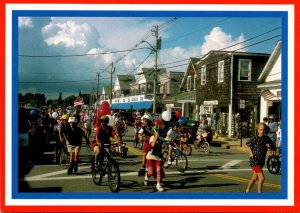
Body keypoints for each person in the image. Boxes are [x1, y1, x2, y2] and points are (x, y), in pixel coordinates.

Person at [245, 123, 272, 193]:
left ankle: (247, 191)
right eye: (260, 130)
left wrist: (270, 147)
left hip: (261, 161)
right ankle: (260, 194)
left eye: (263, 130)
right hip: (254, 160)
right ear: (257, 130)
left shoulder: (266, 138)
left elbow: (272, 146)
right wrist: (251, 154)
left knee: (254, 178)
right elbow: (247, 145)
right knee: (262, 178)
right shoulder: (254, 138)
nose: (262, 131)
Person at [145, 119, 165, 191]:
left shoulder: (160, 137)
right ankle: (147, 175)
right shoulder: (152, 137)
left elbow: (163, 146)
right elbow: (152, 145)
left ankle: (158, 185)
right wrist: (156, 137)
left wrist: (164, 143)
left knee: (158, 171)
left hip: (158, 157)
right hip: (151, 156)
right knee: (151, 172)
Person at [137, 112, 153, 177]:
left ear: (148, 120)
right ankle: (142, 167)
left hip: (153, 141)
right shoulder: (143, 126)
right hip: (147, 141)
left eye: (146, 120)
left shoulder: (153, 125)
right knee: (145, 154)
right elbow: (140, 133)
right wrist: (141, 137)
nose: (144, 121)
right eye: (144, 120)